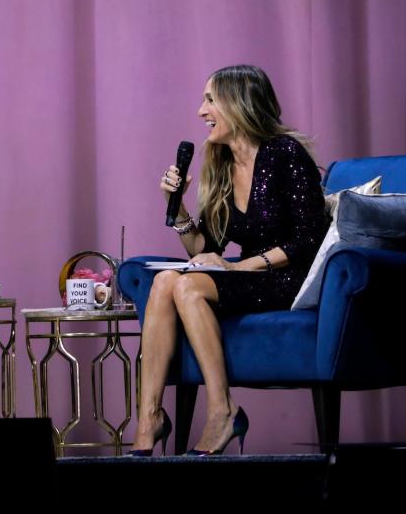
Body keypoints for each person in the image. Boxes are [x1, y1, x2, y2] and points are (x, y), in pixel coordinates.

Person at [130, 64, 328, 456]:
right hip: (249, 274)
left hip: (289, 277)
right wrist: (178, 206)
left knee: (185, 284)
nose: (201, 111)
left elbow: (309, 241)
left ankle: (222, 412)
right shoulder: (221, 163)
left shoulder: (285, 153)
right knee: (166, 280)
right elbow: (207, 244)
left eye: (210, 100)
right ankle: (150, 417)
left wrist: (240, 266)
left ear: (238, 104)